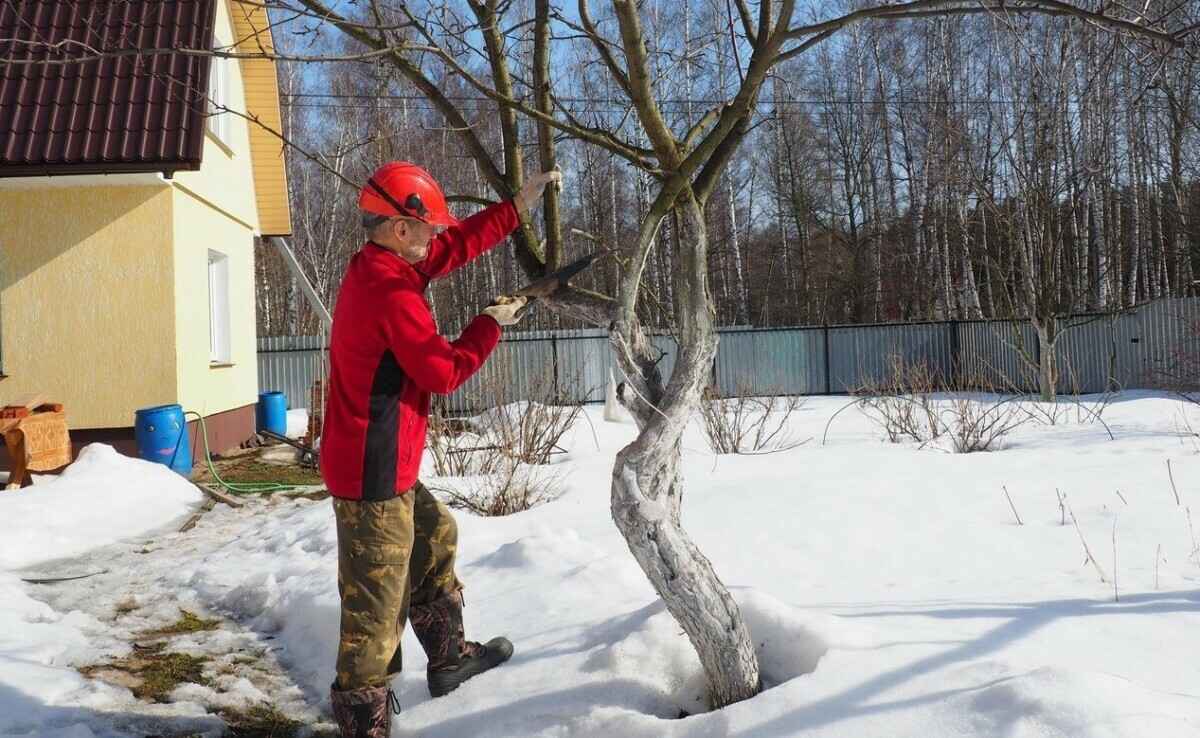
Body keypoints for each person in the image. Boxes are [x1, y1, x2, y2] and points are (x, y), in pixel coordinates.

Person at [320, 161, 562, 737]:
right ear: (401, 227)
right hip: (370, 470)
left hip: (386, 460)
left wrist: (514, 210)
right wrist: (489, 324)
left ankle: (449, 659)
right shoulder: (387, 290)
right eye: (427, 227)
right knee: (375, 608)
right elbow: (442, 372)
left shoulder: (388, 262)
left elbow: (451, 248)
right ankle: (362, 720)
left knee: (435, 536)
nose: (434, 238)